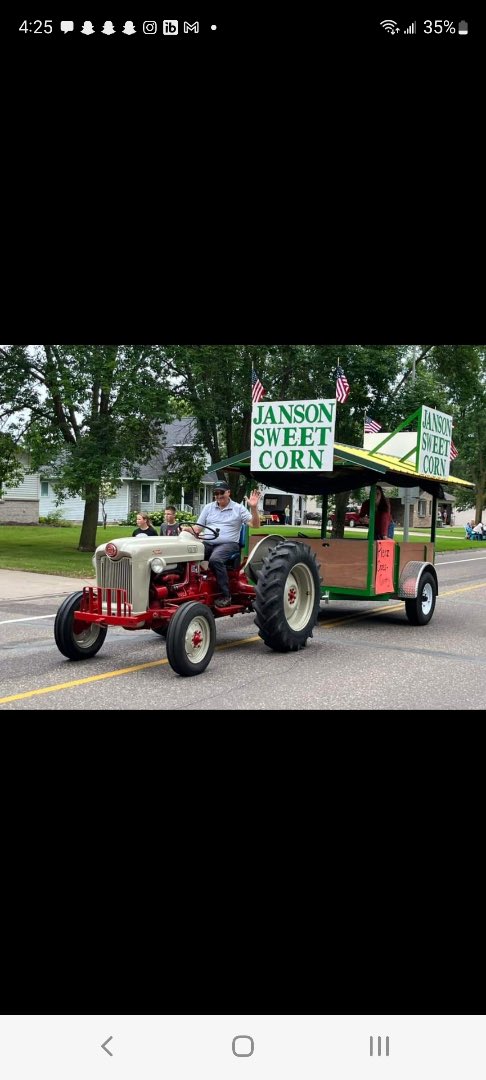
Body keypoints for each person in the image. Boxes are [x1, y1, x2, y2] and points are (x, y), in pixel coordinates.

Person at [182, 482, 260, 607]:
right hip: (208, 542)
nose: (218, 496)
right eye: (216, 493)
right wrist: (186, 529)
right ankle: (185, 589)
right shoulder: (208, 507)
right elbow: (197, 529)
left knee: (215, 559)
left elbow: (255, 525)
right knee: (187, 553)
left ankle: (225, 596)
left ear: (228, 492)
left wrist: (254, 508)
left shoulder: (238, 508)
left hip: (229, 544)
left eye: (221, 492)